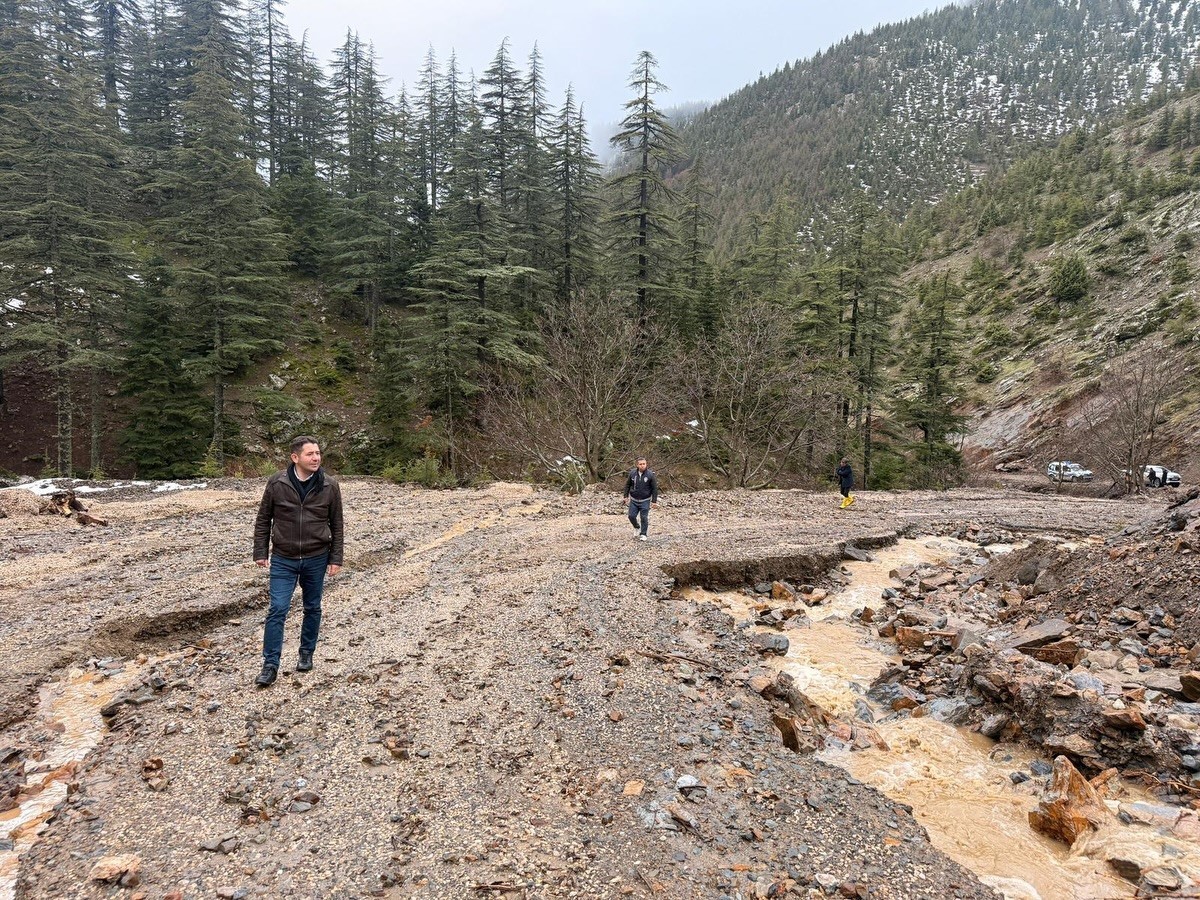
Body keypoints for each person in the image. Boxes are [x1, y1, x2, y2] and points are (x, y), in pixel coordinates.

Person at [252, 435, 344, 687]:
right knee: (277, 609)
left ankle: (306, 653)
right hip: (284, 558)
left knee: (312, 607)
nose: (316, 458)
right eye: (310, 454)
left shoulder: (329, 485)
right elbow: (263, 519)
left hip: (317, 557)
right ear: (295, 457)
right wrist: (261, 551)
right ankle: (270, 665)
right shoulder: (277, 483)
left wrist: (336, 557)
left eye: (318, 453)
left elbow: (337, 524)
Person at [623, 456, 659, 542]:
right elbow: (627, 485)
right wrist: (626, 496)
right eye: (640, 464)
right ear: (637, 465)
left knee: (644, 517)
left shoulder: (650, 475)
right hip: (634, 500)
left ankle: (643, 534)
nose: (642, 466)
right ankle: (636, 527)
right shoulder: (632, 473)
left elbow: (654, 488)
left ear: (646, 464)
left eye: (644, 464)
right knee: (631, 516)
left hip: (645, 500)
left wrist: (654, 501)